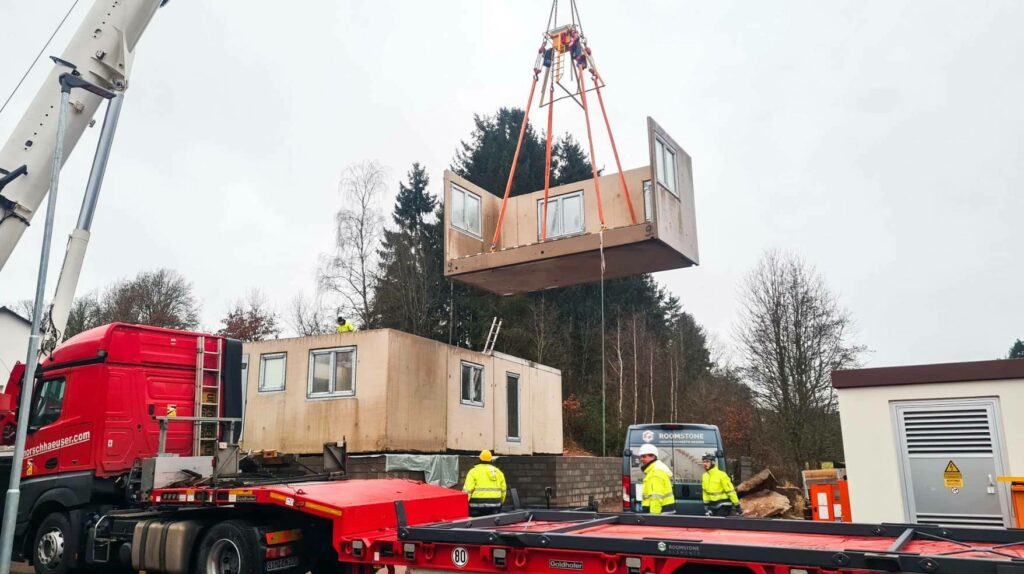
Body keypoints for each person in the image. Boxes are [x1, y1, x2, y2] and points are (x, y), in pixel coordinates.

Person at [463, 450, 506, 516]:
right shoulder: (498, 472)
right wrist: (500, 502)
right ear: (491, 460)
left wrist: (463, 505)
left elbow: (467, 491)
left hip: (476, 506)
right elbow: (503, 491)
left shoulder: (473, 471)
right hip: (495, 505)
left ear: (479, 459)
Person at [636, 444, 676, 514]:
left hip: (658, 513)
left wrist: (653, 517)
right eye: (641, 457)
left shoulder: (656, 473)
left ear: (653, 456)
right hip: (663, 511)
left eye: (644, 456)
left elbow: (656, 498)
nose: (641, 459)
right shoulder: (654, 471)